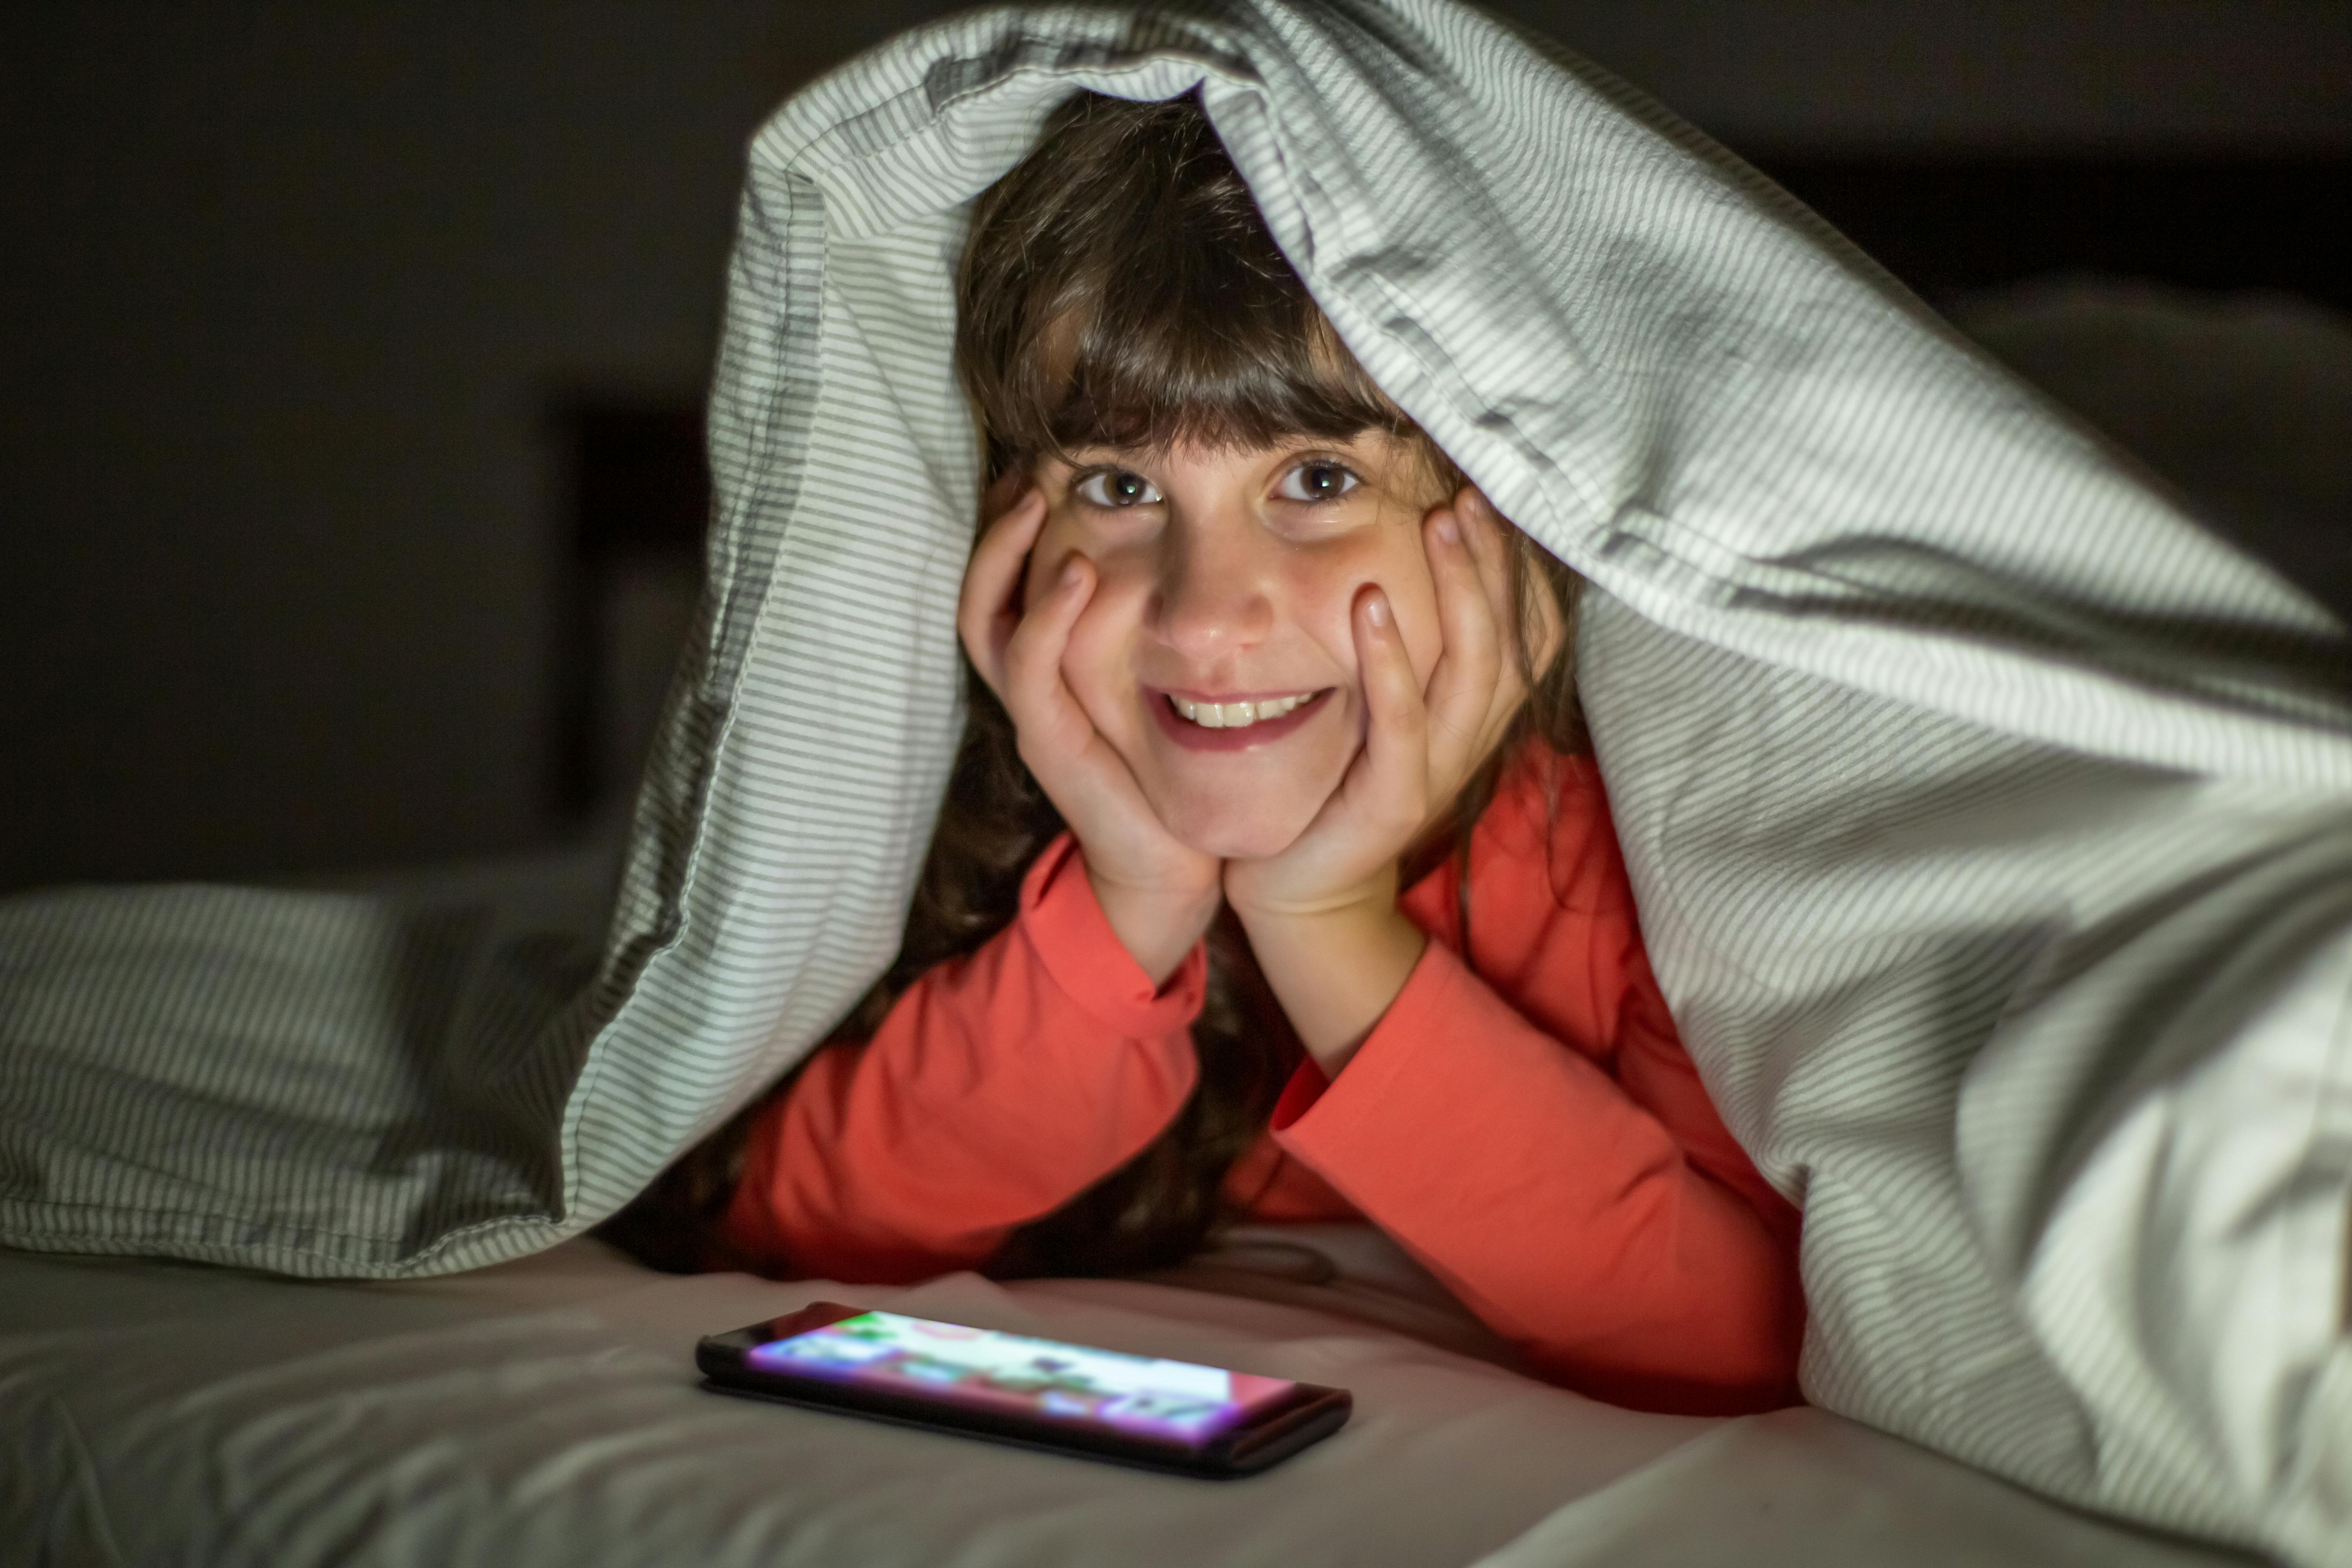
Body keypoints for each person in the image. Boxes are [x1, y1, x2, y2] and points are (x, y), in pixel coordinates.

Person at [606, 91, 1804, 1417]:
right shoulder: (1013, 807)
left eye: (1315, 479)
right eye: (1120, 489)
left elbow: (1733, 1336)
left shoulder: (1650, 851)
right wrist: (1135, 898)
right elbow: (801, 1225)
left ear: (1513, 517)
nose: (1202, 611)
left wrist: (1328, 924)